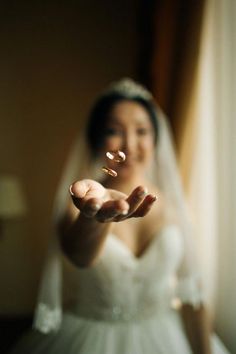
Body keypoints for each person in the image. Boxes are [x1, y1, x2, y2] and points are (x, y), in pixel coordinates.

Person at [10, 78, 230, 354]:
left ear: (156, 139)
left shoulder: (176, 208)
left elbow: (193, 298)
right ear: (96, 139)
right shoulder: (76, 206)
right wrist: (94, 218)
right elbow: (81, 256)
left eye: (142, 131)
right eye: (114, 130)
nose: (129, 144)